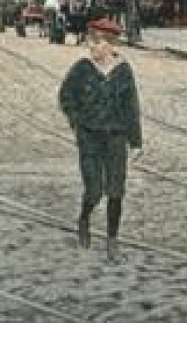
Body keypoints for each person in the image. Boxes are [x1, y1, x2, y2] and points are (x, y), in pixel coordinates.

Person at [58, 18, 142, 264]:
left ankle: (112, 242)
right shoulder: (81, 69)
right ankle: (84, 217)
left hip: (116, 137)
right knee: (94, 189)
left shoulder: (123, 72)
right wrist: (76, 120)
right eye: (92, 42)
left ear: (110, 46)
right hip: (89, 137)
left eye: (97, 43)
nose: (92, 47)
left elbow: (131, 108)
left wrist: (136, 142)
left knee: (115, 191)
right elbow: (65, 96)